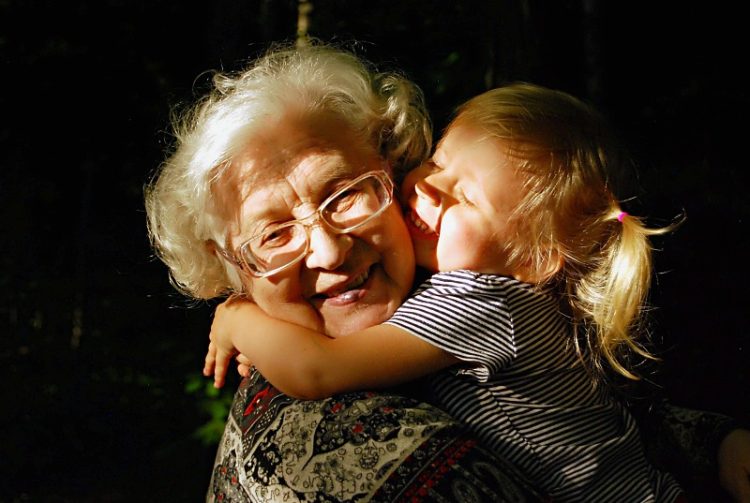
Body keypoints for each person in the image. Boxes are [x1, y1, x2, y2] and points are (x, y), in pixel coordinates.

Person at [145, 41, 750, 501]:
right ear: (228, 267)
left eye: (345, 195)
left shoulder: (472, 297)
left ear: (387, 167)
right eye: (274, 233)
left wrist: (239, 318)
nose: (329, 253)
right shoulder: (333, 453)